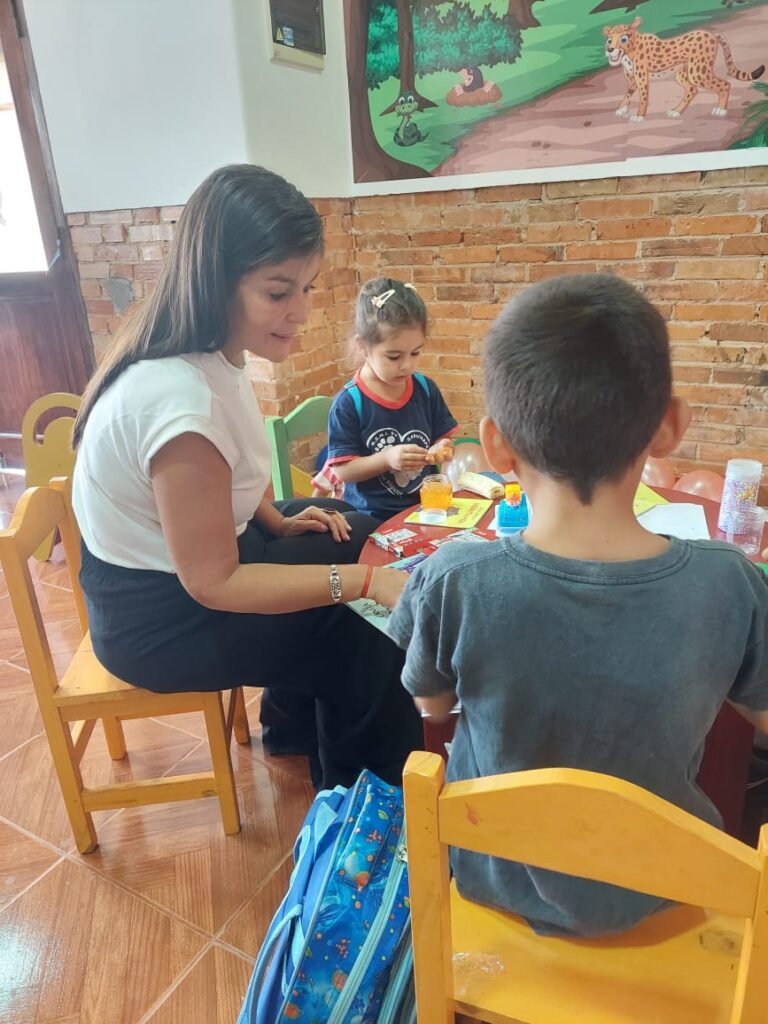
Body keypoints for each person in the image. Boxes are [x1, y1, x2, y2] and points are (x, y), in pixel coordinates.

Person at [389, 273, 768, 938]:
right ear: (669, 428)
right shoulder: (730, 584)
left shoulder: (453, 579)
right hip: (665, 902)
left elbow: (432, 708)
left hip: (492, 892)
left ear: (497, 444)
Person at [71, 164, 422, 790]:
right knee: (364, 626)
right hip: (157, 618)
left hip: (193, 563)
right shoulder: (178, 402)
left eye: (308, 288)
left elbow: (229, 480)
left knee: (357, 526)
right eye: (278, 292)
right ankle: (365, 816)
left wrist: (277, 519)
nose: (302, 313)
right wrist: (366, 582)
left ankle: (292, 730)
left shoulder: (216, 353)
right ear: (217, 282)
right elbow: (213, 582)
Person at [311, 277, 458, 520]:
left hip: (424, 510)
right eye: (394, 356)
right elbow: (342, 470)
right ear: (363, 346)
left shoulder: (425, 388)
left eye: (416, 352)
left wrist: (442, 448)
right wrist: (386, 459)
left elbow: (443, 438)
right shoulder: (350, 403)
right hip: (370, 517)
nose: (406, 365)